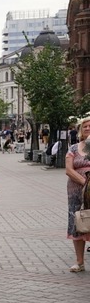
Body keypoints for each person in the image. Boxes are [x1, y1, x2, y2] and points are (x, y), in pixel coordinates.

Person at [65, 116, 90, 272]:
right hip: (76, 192)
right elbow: (68, 169)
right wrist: (85, 183)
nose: (88, 128)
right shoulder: (74, 148)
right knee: (78, 223)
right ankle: (79, 262)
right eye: (85, 126)